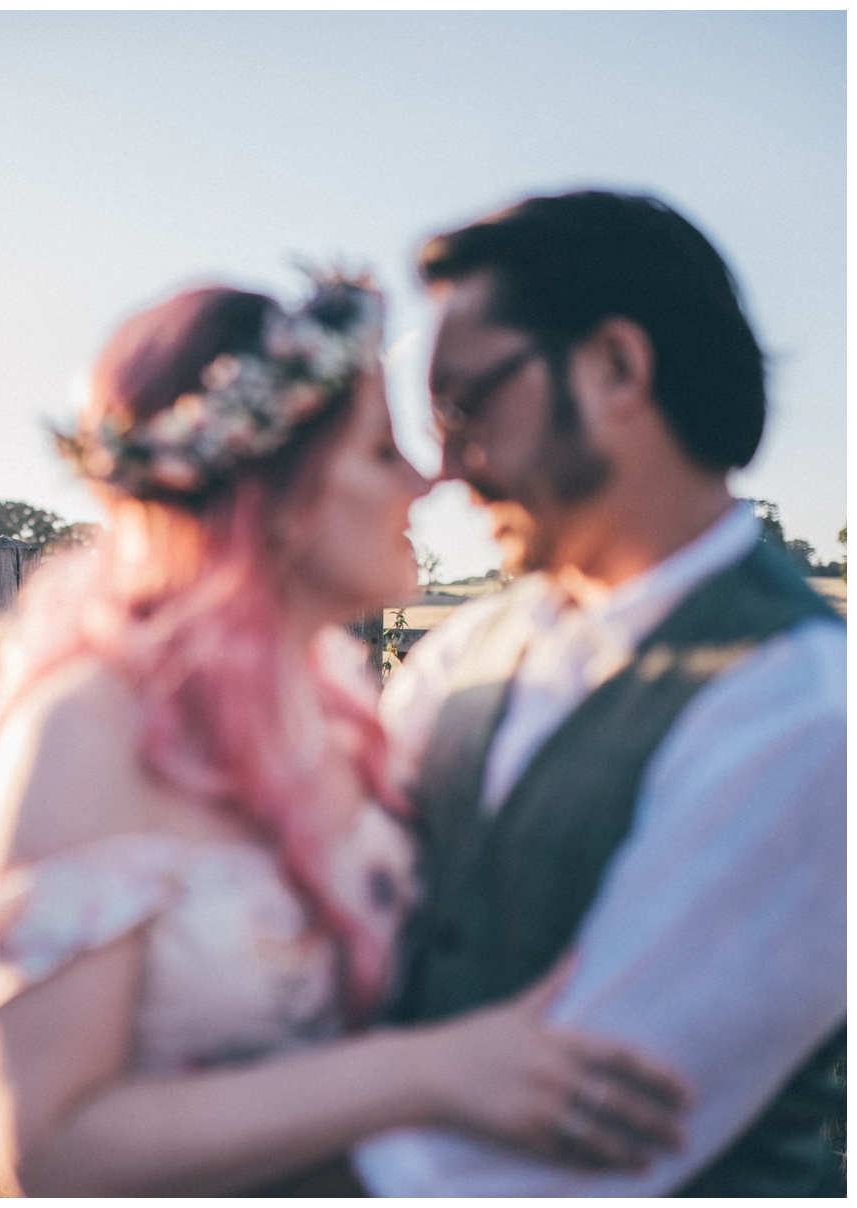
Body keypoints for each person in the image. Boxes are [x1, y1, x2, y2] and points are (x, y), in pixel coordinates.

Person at [0, 273, 691, 1196]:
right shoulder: (87, 728)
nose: (428, 478)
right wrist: (432, 1073)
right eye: (381, 449)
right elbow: (50, 1151)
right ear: (274, 493)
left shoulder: (327, 690)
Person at [352, 190, 845, 1196]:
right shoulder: (470, 647)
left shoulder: (804, 712)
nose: (441, 468)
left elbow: (562, 1150)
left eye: (465, 405)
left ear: (616, 366)